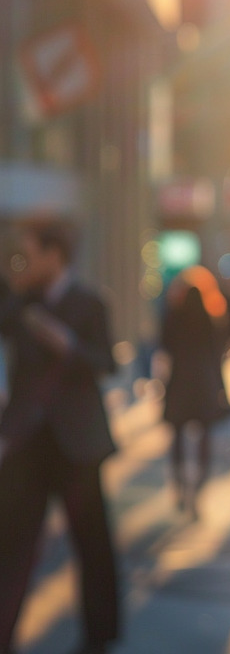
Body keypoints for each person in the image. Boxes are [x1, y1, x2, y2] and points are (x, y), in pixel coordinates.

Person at [0, 217, 120, 654]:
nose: (21, 263)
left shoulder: (89, 303)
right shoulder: (19, 303)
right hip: (27, 444)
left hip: (76, 444)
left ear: (55, 255)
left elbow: (107, 362)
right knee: (11, 545)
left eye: (28, 255)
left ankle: (99, 635)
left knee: (91, 544)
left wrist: (68, 345)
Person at [159, 266, 229, 515]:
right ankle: (198, 487)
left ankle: (180, 486)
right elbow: (218, 353)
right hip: (204, 383)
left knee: (177, 437)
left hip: (179, 381)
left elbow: (164, 346)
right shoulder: (212, 316)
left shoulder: (173, 315)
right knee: (204, 439)